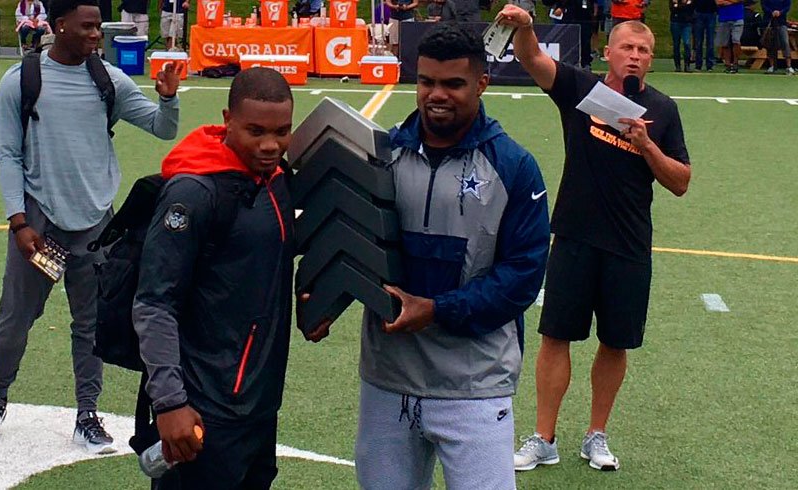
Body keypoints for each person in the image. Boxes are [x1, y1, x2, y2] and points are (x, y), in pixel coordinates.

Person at [309, 22, 550, 489]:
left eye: (453, 83)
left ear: (482, 83)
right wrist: (323, 302)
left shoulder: (514, 167)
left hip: (474, 386)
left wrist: (438, 311)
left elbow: (523, 276)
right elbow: (351, 241)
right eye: (426, 81)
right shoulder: (381, 155)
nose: (436, 94)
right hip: (388, 379)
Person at [0, 0, 180, 452]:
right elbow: (8, 155)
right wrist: (19, 222)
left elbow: (163, 129)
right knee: (16, 321)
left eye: (97, 27)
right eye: (87, 27)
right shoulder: (22, 81)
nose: (96, 34)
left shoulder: (109, 80)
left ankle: (88, 413)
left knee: (90, 325)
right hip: (40, 228)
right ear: (58, 26)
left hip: (95, 229)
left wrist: (168, 97)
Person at [497, 5, 692, 472]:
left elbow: (681, 181)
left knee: (615, 342)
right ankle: (544, 437)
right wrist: (526, 28)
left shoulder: (663, 110)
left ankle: (595, 435)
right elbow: (533, 63)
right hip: (574, 235)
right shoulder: (583, 89)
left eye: (644, 50)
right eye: (627, 47)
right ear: (609, 51)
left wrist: (647, 146)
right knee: (556, 335)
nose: (636, 56)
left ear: (649, 60)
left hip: (628, 243)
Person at [134, 67, 295, 490]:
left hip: (258, 405)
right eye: (255, 130)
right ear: (227, 120)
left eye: (282, 132)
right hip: (203, 408)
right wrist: (169, 403)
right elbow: (154, 302)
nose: (269, 145)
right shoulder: (193, 193)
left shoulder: (274, 181)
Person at [761, 0, 794, 74]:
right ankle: (772, 66)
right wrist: (771, 12)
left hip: (781, 22)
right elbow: (764, 6)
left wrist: (780, 12)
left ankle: (789, 66)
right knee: (769, 44)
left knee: (785, 43)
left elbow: (787, 6)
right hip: (769, 21)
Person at [716, 0, 744, 73]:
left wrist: (727, 2)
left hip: (738, 17)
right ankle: (728, 64)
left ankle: (735, 63)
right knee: (724, 43)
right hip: (723, 18)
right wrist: (734, 1)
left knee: (736, 40)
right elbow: (718, 2)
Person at [670, 0, 695, 71]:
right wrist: (684, 5)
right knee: (676, 44)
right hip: (675, 22)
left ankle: (687, 65)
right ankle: (677, 65)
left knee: (687, 43)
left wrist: (678, 5)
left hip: (687, 23)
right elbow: (673, 9)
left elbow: (691, 8)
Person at [693, 0, 718, 70]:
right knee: (698, 41)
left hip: (711, 12)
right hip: (699, 12)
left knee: (710, 41)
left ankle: (709, 64)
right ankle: (698, 64)